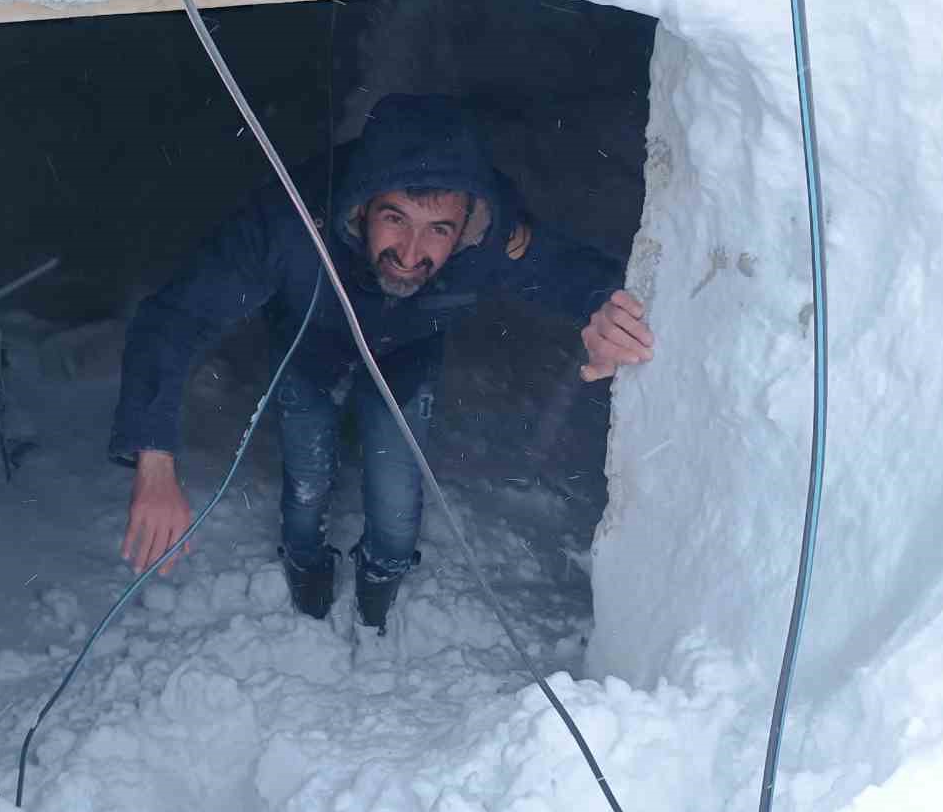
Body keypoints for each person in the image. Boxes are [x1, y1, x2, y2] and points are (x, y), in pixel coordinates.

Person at [109, 93, 654, 631]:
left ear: (465, 224)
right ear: (362, 206)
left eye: (438, 229)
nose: (412, 251)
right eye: (395, 218)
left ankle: (381, 580)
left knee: (396, 502)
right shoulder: (291, 225)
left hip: (407, 353)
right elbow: (175, 317)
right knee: (306, 482)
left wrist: (610, 313)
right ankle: (306, 563)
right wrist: (154, 458)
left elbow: (581, 276)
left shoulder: (491, 238)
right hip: (310, 345)